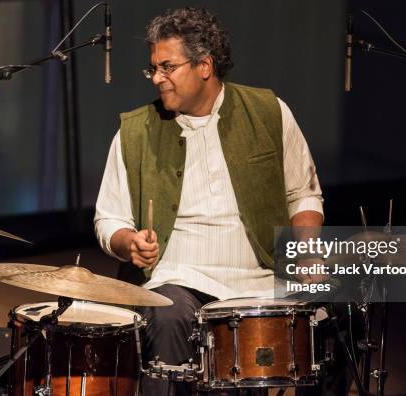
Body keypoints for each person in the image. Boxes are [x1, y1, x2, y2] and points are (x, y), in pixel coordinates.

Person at [94, 7, 325, 395]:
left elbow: (303, 193)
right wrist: (128, 242)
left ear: (204, 65)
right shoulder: (134, 132)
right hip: (179, 278)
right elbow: (107, 220)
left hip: (261, 277)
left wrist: (306, 252)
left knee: (335, 316)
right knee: (166, 317)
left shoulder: (269, 113)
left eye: (167, 67)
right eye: (153, 68)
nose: (157, 79)